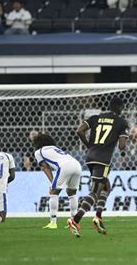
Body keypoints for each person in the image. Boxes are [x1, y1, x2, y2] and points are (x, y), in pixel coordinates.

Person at [68, 97, 129, 237]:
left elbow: (79, 131)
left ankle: (98, 217)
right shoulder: (121, 122)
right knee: (95, 191)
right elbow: (122, 146)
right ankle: (75, 220)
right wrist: (123, 150)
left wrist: (89, 145)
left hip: (90, 157)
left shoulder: (95, 117)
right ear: (120, 108)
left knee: (106, 186)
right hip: (103, 160)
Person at [33, 134, 82, 230]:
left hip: (65, 166)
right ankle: (74, 221)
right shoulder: (55, 148)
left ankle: (53, 222)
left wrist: (52, 183)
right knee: (71, 193)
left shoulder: (39, 152)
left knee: (53, 192)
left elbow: (45, 167)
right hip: (77, 165)